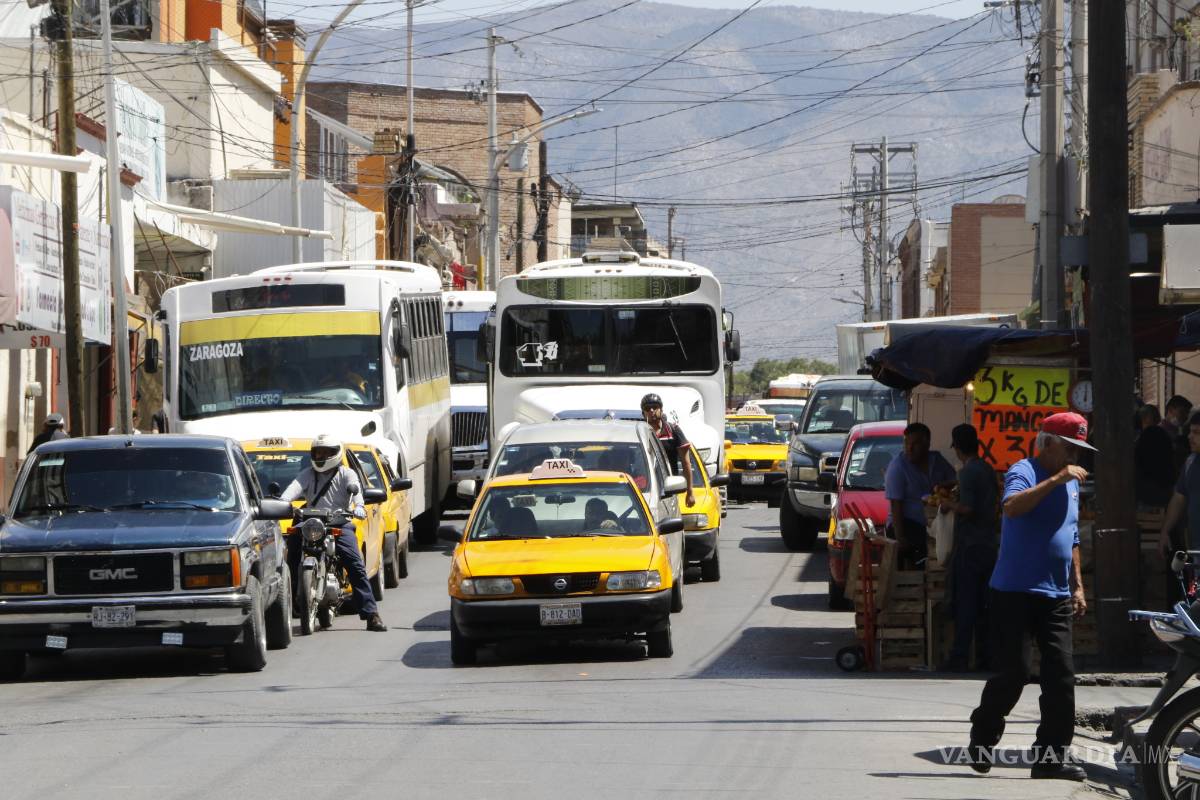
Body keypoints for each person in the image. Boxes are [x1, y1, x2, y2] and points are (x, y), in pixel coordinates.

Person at [967, 412, 1092, 781]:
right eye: (1072, 448)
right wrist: (1056, 479)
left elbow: (1071, 537)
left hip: (1054, 594)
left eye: (1080, 450)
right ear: (1049, 443)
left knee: (1061, 678)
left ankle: (1050, 759)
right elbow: (1011, 507)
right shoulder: (1025, 470)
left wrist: (1078, 584)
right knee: (1014, 673)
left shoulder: (1071, 481)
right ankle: (982, 738)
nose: (1077, 457)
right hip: (1013, 592)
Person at [279, 435, 387, 632]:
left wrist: (359, 506)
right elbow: (290, 492)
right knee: (290, 556)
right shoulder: (307, 474)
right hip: (311, 521)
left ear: (335, 453)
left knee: (355, 563)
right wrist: (282, 504)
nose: (321, 456)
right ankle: (291, 603)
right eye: (318, 452)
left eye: (326, 452)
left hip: (339, 521)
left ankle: (371, 614)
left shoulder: (347, 474)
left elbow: (357, 494)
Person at [938, 424, 998, 673]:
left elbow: (969, 508)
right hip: (989, 544)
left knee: (965, 603)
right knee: (985, 604)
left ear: (957, 448)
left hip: (971, 545)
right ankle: (985, 656)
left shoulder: (968, 472)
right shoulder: (986, 468)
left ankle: (959, 657)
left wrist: (947, 505)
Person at [884, 422, 955, 568]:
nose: (909, 448)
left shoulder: (937, 460)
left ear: (926, 444)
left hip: (934, 522)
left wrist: (943, 486)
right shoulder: (897, 467)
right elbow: (896, 505)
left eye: (915, 444)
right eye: (906, 443)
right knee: (923, 545)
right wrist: (900, 538)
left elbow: (955, 481)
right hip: (905, 523)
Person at [641, 393, 695, 507]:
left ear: (661, 409)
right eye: (647, 408)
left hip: (669, 488)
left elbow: (686, 464)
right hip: (645, 489)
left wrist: (690, 492)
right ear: (643, 413)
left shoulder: (673, 430)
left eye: (655, 407)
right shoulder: (639, 433)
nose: (651, 411)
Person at [1158, 412, 1200, 558]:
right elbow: (1178, 499)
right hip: (1196, 549)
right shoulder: (1190, 463)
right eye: (1190, 431)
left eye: (1196, 433)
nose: (1190, 437)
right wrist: (1165, 531)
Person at [1135, 405, 1175, 508]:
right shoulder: (1163, 434)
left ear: (1146, 418)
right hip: (1165, 487)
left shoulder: (1147, 435)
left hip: (1148, 489)